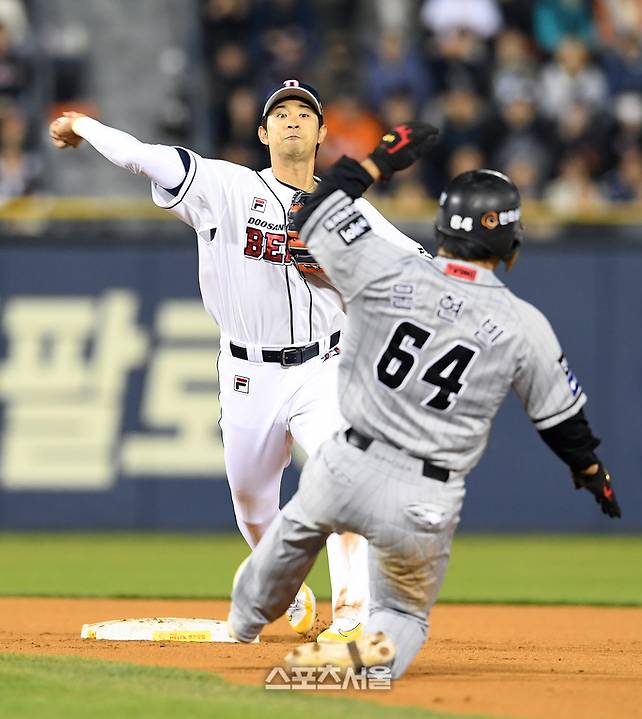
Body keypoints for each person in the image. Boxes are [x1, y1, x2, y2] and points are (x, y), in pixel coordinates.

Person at [227, 122, 622, 678]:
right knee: (403, 612)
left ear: (441, 226)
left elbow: (311, 211)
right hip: (426, 495)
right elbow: (564, 423)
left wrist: (377, 163)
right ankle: (349, 671)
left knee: (287, 541)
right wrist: (590, 470)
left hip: (347, 464)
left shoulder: (388, 270)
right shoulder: (522, 323)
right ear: (511, 244)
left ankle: (243, 627)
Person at [48, 80, 430, 643]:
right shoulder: (225, 187)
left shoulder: (348, 213)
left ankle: (353, 618)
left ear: (324, 133)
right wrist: (82, 126)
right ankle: (287, 586)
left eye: (305, 114)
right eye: (281, 114)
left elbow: (415, 269)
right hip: (249, 374)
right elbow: (142, 157)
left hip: (323, 368)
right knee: (253, 506)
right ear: (263, 131)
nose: (293, 120)